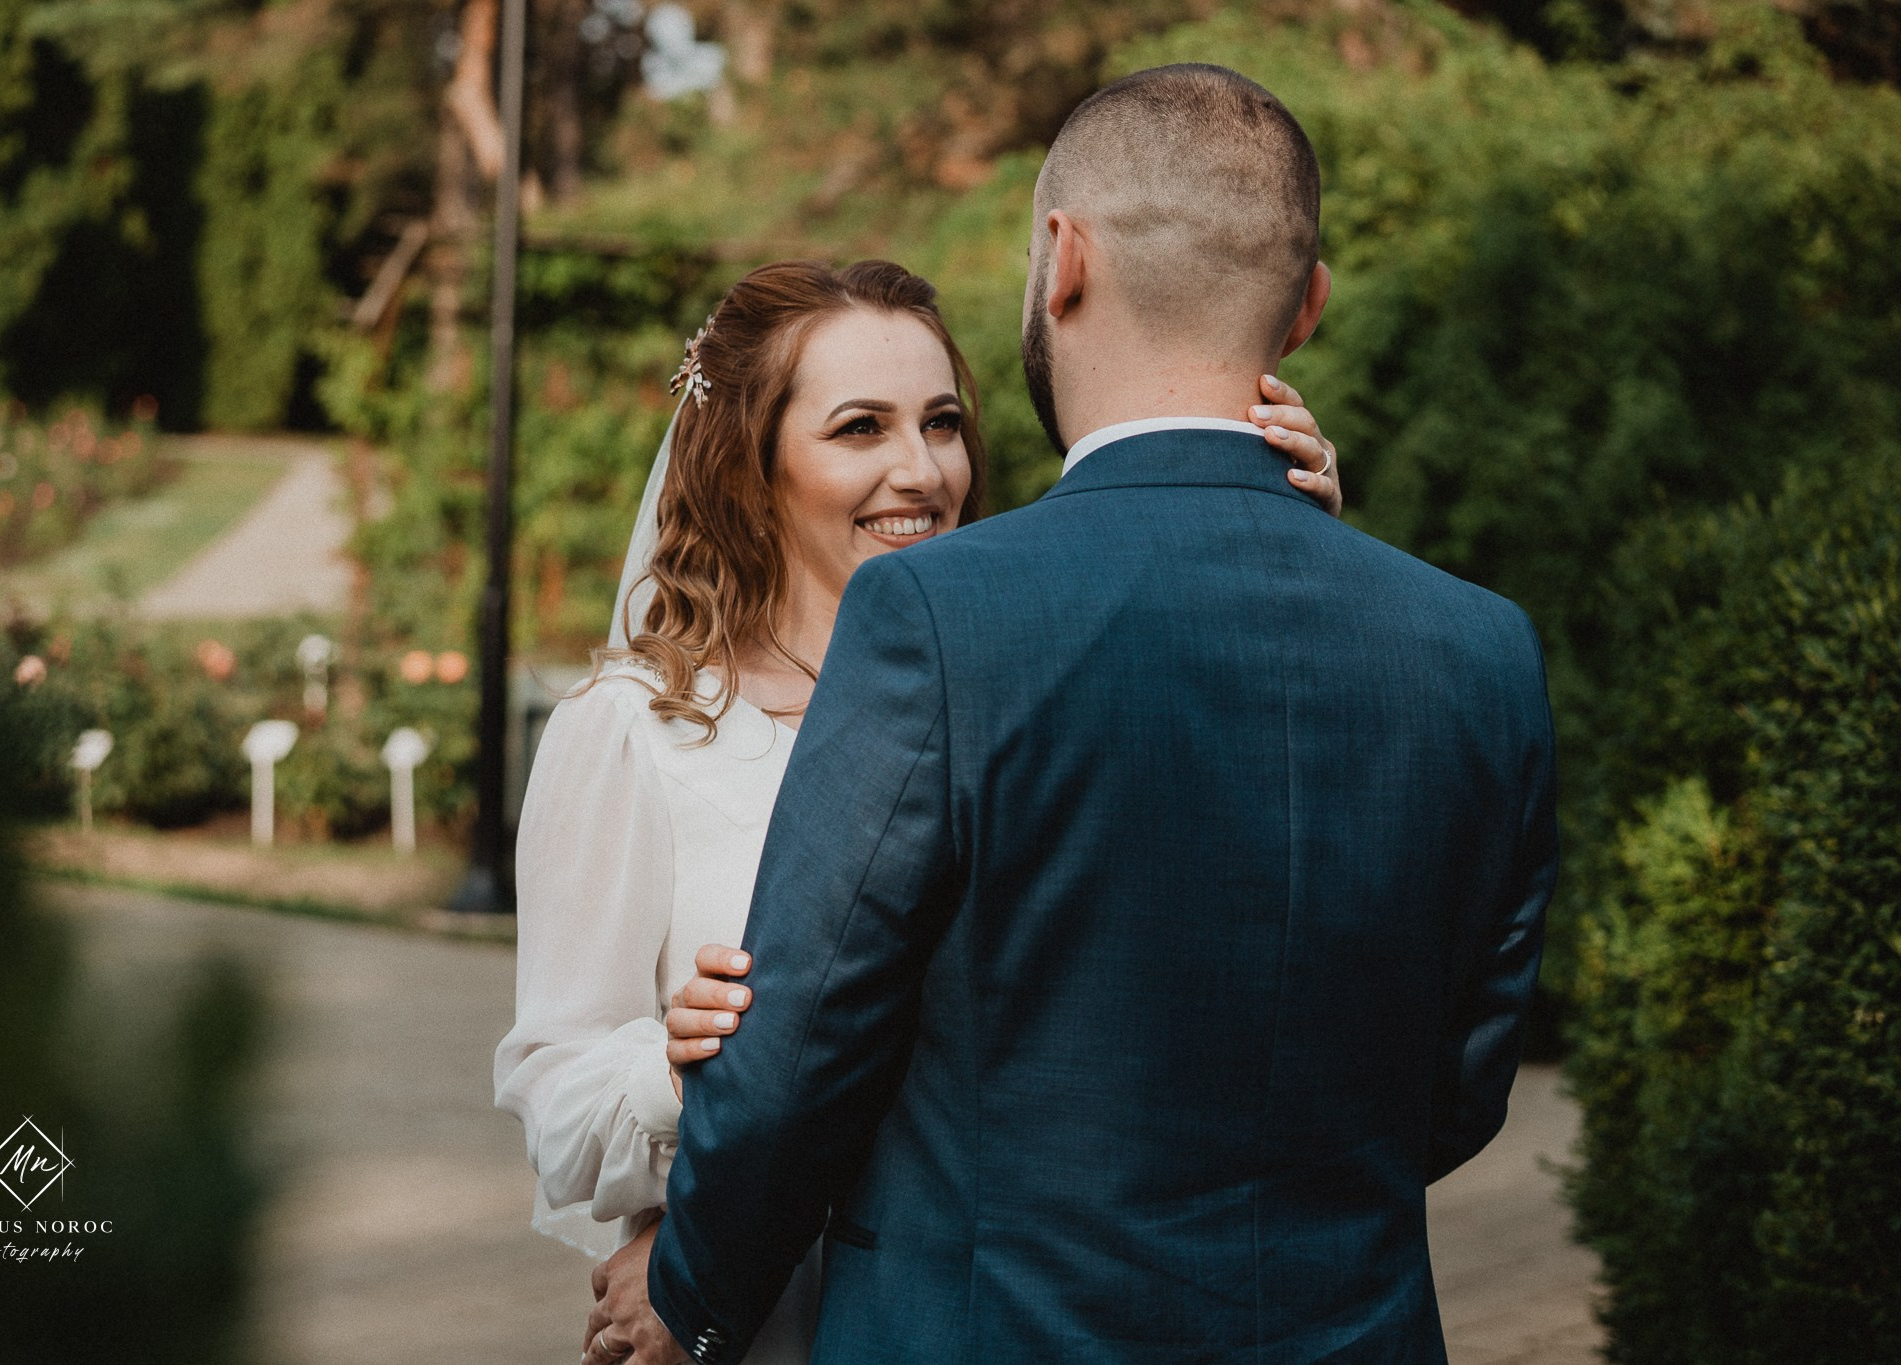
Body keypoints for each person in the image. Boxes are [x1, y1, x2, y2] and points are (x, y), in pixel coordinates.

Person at [594, 63, 1558, 1365]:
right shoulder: (1480, 649)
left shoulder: (936, 612)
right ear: (1309, 306)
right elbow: (1458, 1088)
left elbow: (800, 1054)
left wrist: (692, 1297)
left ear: (1063, 260)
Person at [492, 259, 1346, 1364]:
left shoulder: (1046, 684)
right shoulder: (635, 731)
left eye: (942, 423)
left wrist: (1286, 543)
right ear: (749, 462)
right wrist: (683, 1072)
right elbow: (554, 1090)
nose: (921, 471)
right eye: (860, 428)